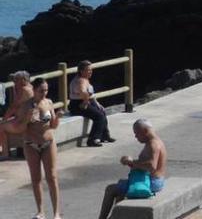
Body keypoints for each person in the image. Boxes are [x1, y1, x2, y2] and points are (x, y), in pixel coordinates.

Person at [98, 119, 167, 219]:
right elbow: (144, 165)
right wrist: (130, 163)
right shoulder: (154, 142)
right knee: (119, 194)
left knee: (110, 189)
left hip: (152, 183)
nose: (136, 137)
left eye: (137, 133)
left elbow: (151, 167)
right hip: (152, 180)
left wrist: (131, 162)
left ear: (145, 131)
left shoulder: (153, 145)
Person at [17, 77, 62, 219]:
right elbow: (20, 128)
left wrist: (58, 117)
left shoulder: (48, 103)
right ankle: (40, 211)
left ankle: (56, 213)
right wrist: (27, 118)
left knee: (52, 177)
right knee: (36, 178)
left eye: (46, 90)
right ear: (34, 91)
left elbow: (53, 126)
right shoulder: (26, 106)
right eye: (41, 91)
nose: (44, 93)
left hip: (48, 142)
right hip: (31, 144)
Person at [69, 60, 115, 147]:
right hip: (78, 105)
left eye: (91, 70)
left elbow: (90, 94)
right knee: (99, 117)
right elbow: (83, 92)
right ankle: (93, 139)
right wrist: (86, 102)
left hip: (86, 101)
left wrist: (97, 103)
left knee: (102, 111)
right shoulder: (81, 80)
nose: (90, 72)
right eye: (88, 70)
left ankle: (105, 135)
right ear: (81, 71)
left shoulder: (85, 79)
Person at [0, 70, 34, 159]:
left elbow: (13, 107)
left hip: (24, 123)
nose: (14, 82)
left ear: (23, 80)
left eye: (16, 80)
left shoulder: (24, 90)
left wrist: (4, 119)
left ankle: (5, 153)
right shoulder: (31, 87)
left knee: (1, 126)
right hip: (28, 120)